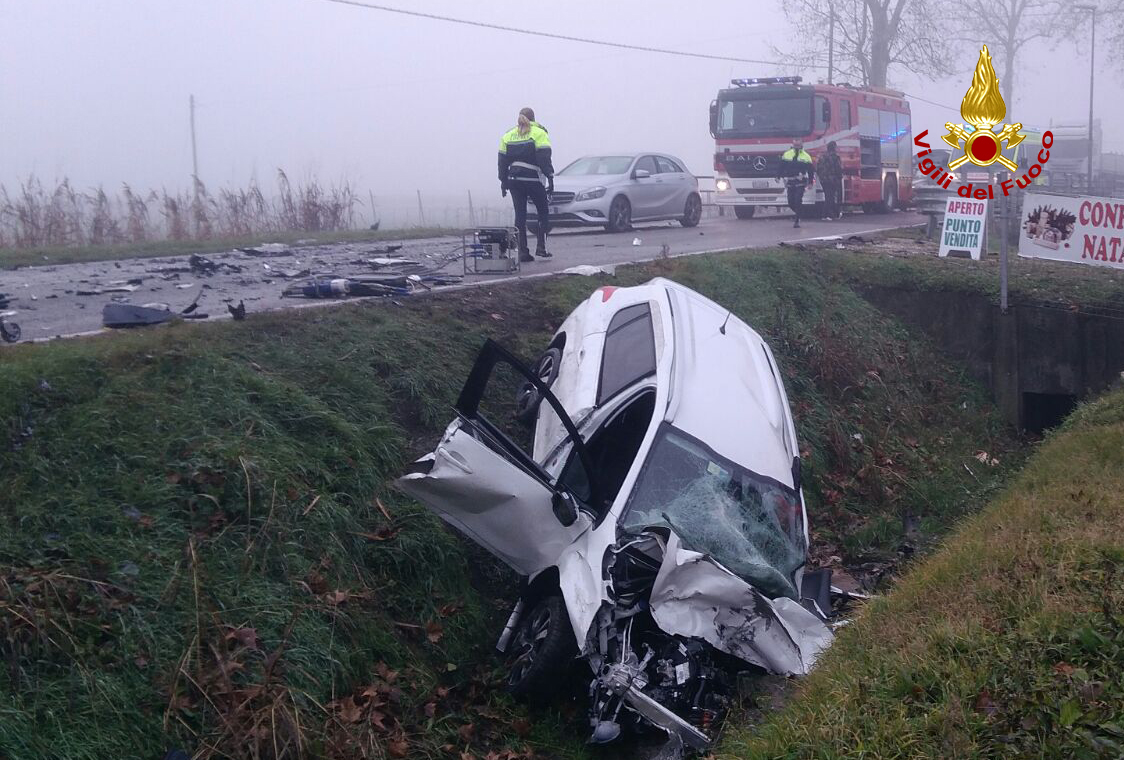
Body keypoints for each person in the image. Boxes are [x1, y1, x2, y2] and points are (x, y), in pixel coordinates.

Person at [498, 107, 554, 261]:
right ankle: (542, 247)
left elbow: (502, 161)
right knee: (543, 212)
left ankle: (523, 252)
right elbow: (544, 158)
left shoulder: (508, 135)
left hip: (514, 179)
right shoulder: (539, 133)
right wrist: (550, 176)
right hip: (533, 178)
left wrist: (503, 181)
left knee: (520, 216)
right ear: (534, 118)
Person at [778, 139, 813, 228]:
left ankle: (797, 220)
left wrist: (810, 182)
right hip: (790, 181)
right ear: (792, 145)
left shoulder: (806, 156)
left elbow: (810, 170)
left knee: (798, 200)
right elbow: (781, 166)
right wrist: (778, 175)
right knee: (791, 202)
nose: (797, 147)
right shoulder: (787, 154)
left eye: (798, 145)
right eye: (795, 145)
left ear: (802, 145)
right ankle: (799, 212)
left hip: (800, 181)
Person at [818, 141, 844, 220]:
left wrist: (822, 177)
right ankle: (826, 215)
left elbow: (818, 169)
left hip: (823, 180)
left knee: (828, 196)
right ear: (834, 148)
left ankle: (829, 214)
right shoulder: (835, 157)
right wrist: (839, 177)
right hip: (832, 179)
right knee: (830, 197)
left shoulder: (822, 157)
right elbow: (838, 169)